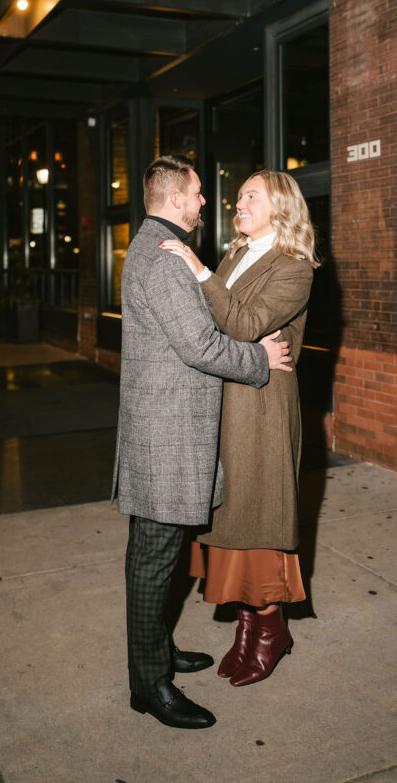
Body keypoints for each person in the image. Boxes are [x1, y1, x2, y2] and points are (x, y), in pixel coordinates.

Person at [113, 155, 292, 730]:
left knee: (156, 556)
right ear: (173, 201)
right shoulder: (163, 259)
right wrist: (259, 359)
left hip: (164, 428)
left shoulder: (153, 248)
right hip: (167, 435)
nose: (204, 203)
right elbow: (201, 346)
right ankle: (150, 686)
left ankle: (157, 655)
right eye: (196, 194)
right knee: (153, 560)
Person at [160, 169, 318, 688]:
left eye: (251, 196)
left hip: (263, 410)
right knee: (231, 516)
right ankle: (247, 629)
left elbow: (247, 324)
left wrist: (201, 273)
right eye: (240, 195)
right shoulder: (236, 254)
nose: (237, 203)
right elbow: (218, 327)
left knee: (260, 515)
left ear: (280, 206)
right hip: (227, 401)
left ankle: (272, 631)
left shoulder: (295, 265)